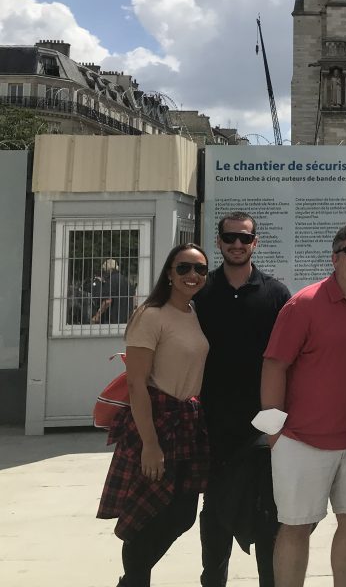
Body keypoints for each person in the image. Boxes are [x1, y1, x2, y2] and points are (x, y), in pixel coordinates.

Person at [260, 221, 346, 587]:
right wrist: (275, 433)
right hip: (300, 440)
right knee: (295, 526)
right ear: (335, 257)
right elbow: (274, 364)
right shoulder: (303, 304)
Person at [97, 243, 211, 587]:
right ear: (169, 273)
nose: (192, 275)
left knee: (182, 515)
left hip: (188, 420)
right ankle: (134, 580)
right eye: (184, 268)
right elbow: (136, 385)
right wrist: (150, 444)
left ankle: (130, 579)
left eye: (200, 270)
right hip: (156, 419)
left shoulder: (193, 312)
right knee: (145, 512)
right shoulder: (151, 315)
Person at [194, 212, 292, 587]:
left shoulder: (275, 293)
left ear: (256, 242)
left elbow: (286, 360)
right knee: (215, 511)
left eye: (244, 239)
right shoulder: (200, 291)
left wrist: (280, 420)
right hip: (212, 419)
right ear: (218, 241)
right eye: (229, 238)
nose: (237, 244)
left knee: (267, 512)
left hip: (262, 423)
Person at [92, 258, 135, 324]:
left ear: (108, 270)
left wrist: (97, 315)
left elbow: (107, 301)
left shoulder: (110, 281)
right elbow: (133, 298)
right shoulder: (126, 280)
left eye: (104, 271)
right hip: (126, 320)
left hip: (111, 321)